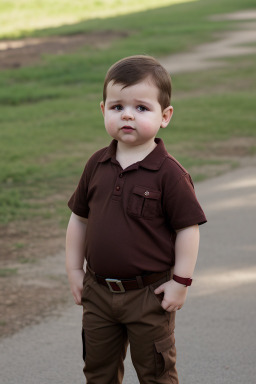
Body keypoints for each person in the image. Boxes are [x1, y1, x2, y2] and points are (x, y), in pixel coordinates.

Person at [66, 55, 207, 383]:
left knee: (156, 373)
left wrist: (181, 282)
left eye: (141, 108)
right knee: (98, 371)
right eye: (117, 107)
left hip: (150, 294)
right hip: (98, 291)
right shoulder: (96, 165)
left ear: (165, 116)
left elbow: (187, 230)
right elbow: (79, 220)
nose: (127, 114)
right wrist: (74, 270)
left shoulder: (169, 174)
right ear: (103, 111)